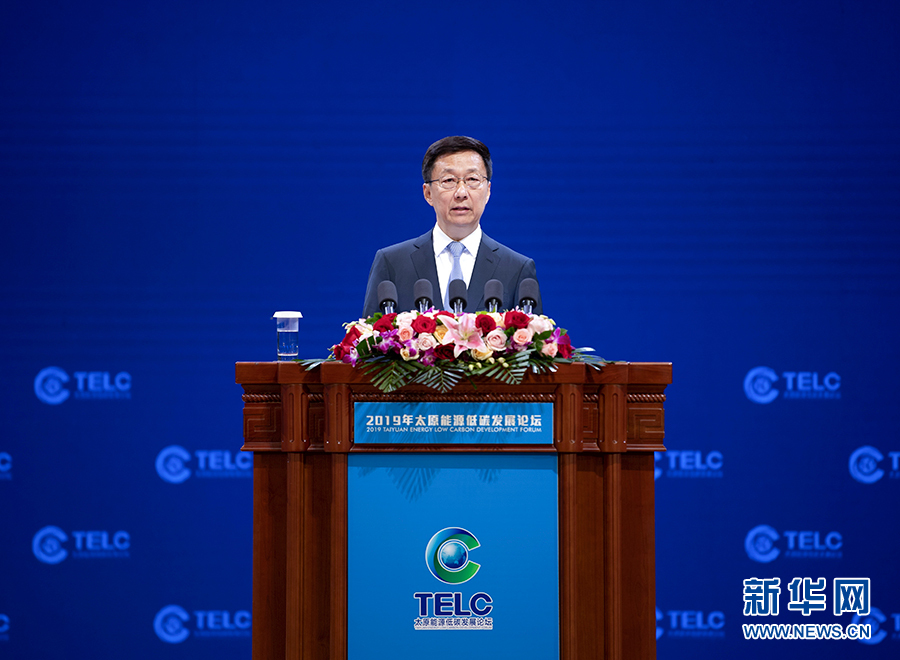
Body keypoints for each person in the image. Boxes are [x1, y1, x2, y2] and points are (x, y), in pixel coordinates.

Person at [362, 136, 542, 317]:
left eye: (472, 179)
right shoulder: (392, 263)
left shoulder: (517, 268)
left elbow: (532, 334)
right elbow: (371, 333)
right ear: (428, 193)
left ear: (488, 191)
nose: (461, 192)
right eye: (448, 180)